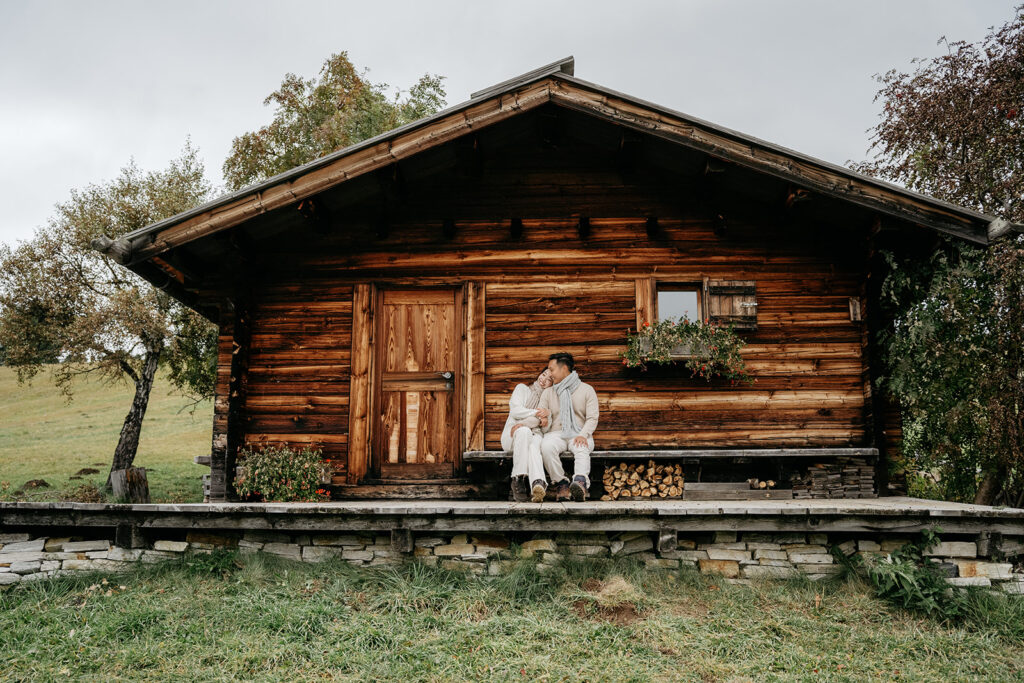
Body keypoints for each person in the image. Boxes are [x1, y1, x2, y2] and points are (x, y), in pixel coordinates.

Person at [539, 352, 599, 502]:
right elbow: (541, 417)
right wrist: (544, 420)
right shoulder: (548, 393)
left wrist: (583, 434)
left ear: (564, 368)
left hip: (579, 432)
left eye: (552, 370)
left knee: (581, 447)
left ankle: (580, 482)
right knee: (546, 446)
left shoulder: (586, 390)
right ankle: (562, 483)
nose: (550, 373)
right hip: (556, 433)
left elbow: (592, 418)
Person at [499, 368, 552, 502]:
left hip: (535, 436)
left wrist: (543, 419)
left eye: (549, 380)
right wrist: (537, 415)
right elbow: (516, 411)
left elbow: (546, 429)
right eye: (543, 374)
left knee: (534, 446)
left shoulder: (548, 402)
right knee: (524, 431)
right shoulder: (522, 389)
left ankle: (538, 484)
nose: (543, 380)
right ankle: (518, 479)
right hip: (512, 436)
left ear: (553, 384)